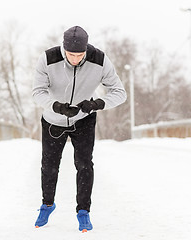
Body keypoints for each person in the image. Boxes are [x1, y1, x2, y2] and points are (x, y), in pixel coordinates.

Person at [32, 26, 127, 232]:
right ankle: (47, 204)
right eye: (71, 55)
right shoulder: (48, 58)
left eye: (80, 55)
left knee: (84, 165)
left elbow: (120, 92)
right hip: (53, 119)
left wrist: (97, 104)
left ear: (86, 50)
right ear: (63, 48)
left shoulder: (99, 60)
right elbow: (37, 92)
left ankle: (83, 211)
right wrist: (56, 106)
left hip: (84, 119)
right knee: (49, 166)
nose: (75, 59)